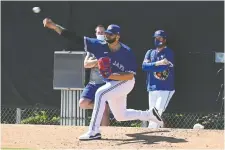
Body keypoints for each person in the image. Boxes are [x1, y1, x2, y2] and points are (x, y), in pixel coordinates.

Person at [43, 18, 163, 140]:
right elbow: (74, 38)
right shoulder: (98, 45)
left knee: (100, 94)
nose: (107, 36)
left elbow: (130, 76)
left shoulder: (127, 52)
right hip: (112, 83)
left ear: (117, 36)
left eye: (110, 34)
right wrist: (54, 26)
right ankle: (149, 114)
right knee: (121, 115)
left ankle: (93, 131)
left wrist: (110, 75)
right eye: (106, 33)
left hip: (125, 82)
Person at [142, 30, 175, 128]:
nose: (157, 40)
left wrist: (153, 66)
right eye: (156, 38)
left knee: (158, 110)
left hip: (165, 87)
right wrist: (158, 63)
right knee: (152, 111)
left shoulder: (169, 52)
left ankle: (151, 130)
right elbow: (144, 67)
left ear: (164, 39)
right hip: (152, 86)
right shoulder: (150, 52)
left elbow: (164, 68)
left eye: (160, 38)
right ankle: (155, 130)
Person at [81, 25, 110, 126]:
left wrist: (96, 63)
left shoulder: (109, 46)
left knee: (105, 112)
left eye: (102, 32)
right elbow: (86, 64)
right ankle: (100, 106)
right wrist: (99, 61)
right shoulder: (91, 48)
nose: (101, 34)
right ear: (95, 34)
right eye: (99, 32)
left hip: (105, 82)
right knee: (83, 103)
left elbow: (110, 63)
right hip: (93, 83)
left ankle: (107, 134)